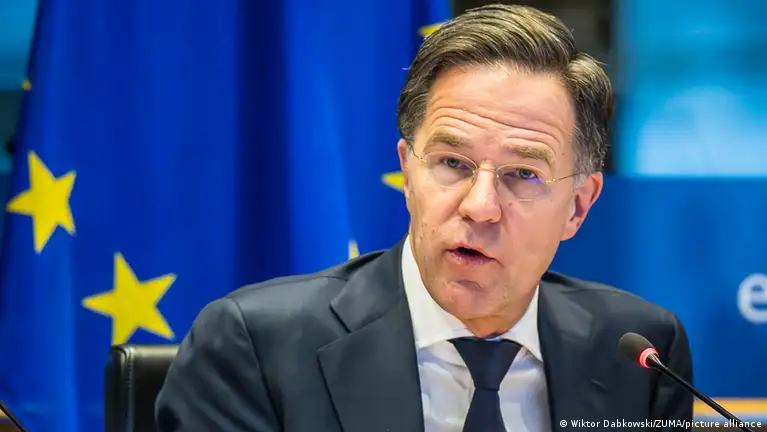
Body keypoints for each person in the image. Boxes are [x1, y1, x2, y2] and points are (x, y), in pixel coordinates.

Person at [155, 4, 693, 431]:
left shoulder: (640, 352)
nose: (480, 206)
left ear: (577, 205)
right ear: (408, 173)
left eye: (522, 174)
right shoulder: (254, 347)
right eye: (453, 164)